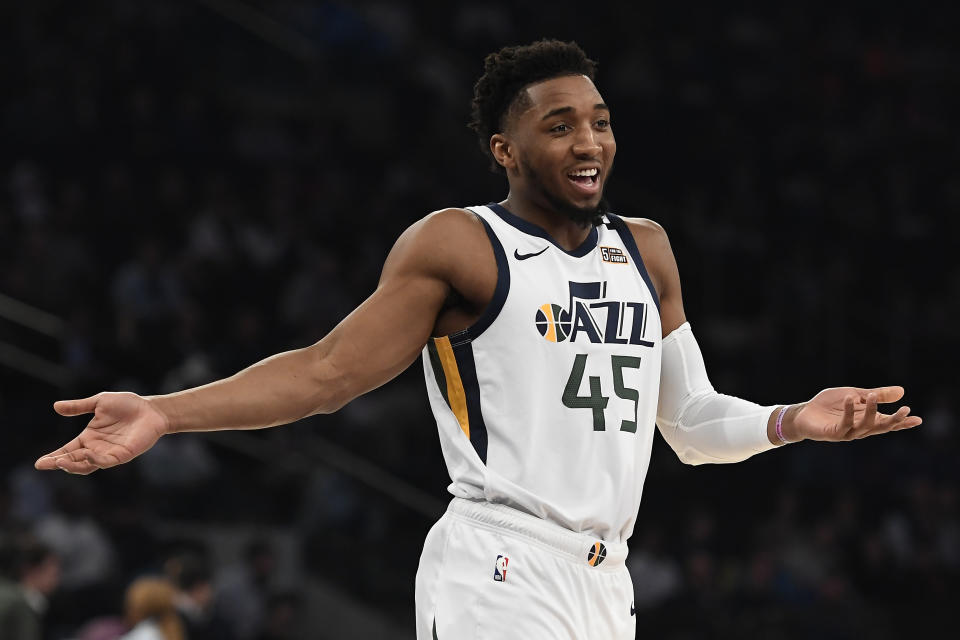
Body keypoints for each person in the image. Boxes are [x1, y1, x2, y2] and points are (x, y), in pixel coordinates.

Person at [35, 40, 922, 639]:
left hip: (606, 582)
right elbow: (326, 373)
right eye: (560, 123)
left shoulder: (644, 248)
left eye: (601, 119)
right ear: (504, 147)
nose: (590, 141)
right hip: (498, 565)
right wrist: (161, 411)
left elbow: (688, 424)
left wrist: (794, 420)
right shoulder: (460, 243)